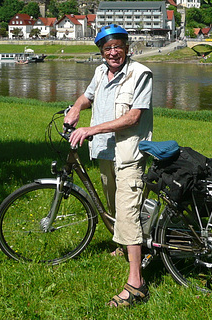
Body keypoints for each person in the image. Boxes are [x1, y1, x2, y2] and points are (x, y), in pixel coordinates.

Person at [64, 24, 153, 308]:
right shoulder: (101, 72)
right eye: (107, 49)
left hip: (129, 153)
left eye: (117, 47)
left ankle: (136, 284)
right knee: (113, 204)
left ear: (127, 48)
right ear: (101, 53)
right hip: (104, 152)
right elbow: (88, 96)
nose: (113, 53)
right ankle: (126, 246)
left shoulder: (140, 74)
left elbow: (133, 117)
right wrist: (77, 108)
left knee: (127, 212)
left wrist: (91, 130)